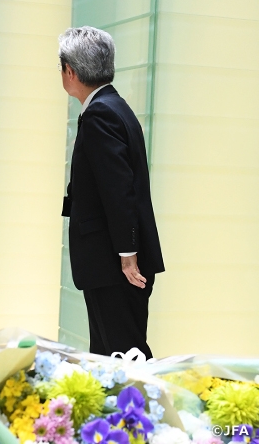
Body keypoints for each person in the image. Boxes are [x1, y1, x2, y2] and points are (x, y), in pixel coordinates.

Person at [59, 26, 164, 359]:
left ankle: (144, 412)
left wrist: (127, 253)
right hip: (112, 261)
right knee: (109, 358)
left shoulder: (101, 113)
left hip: (114, 264)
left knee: (126, 357)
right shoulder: (113, 106)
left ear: (70, 71)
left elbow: (119, 191)